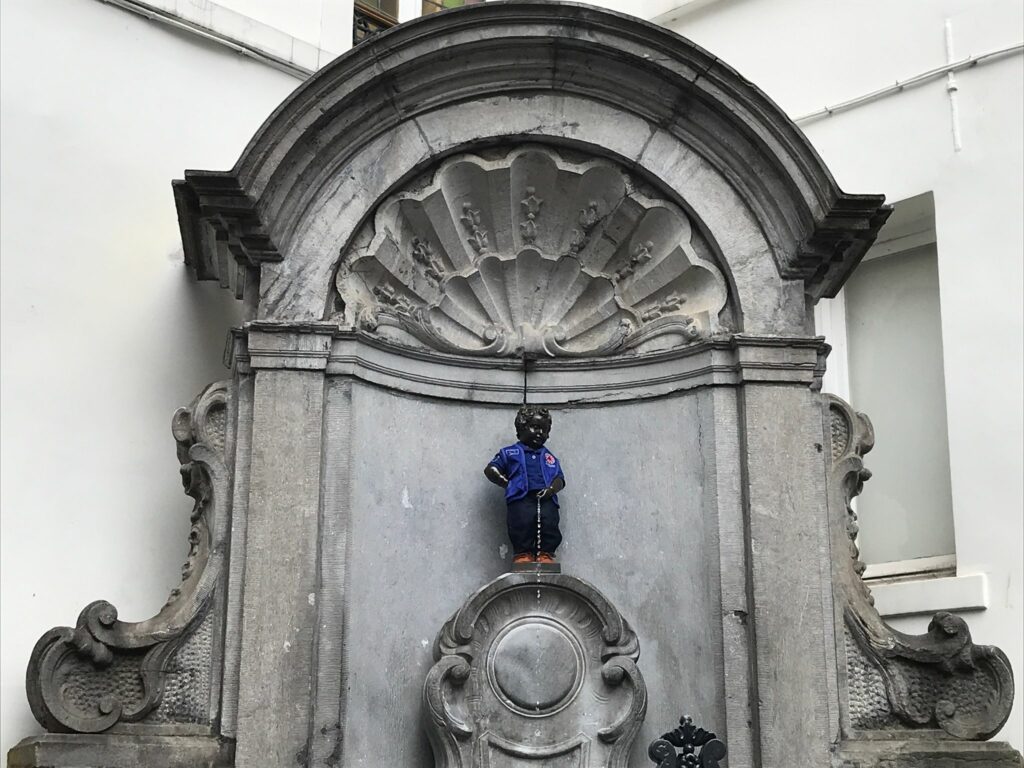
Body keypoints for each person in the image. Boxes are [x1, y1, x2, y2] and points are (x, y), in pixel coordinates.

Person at [484, 405, 566, 565]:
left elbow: (559, 478)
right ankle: (523, 553)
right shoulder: (510, 452)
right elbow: (491, 469)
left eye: (544, 429)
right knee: (520, 522)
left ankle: (546, 553)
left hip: (546, 498)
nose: (540, 433)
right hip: (521, 497)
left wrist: (551, 489)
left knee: (549, 522)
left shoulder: (549, 456)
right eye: (535, 427)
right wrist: (507, 483)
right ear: (521, 427)